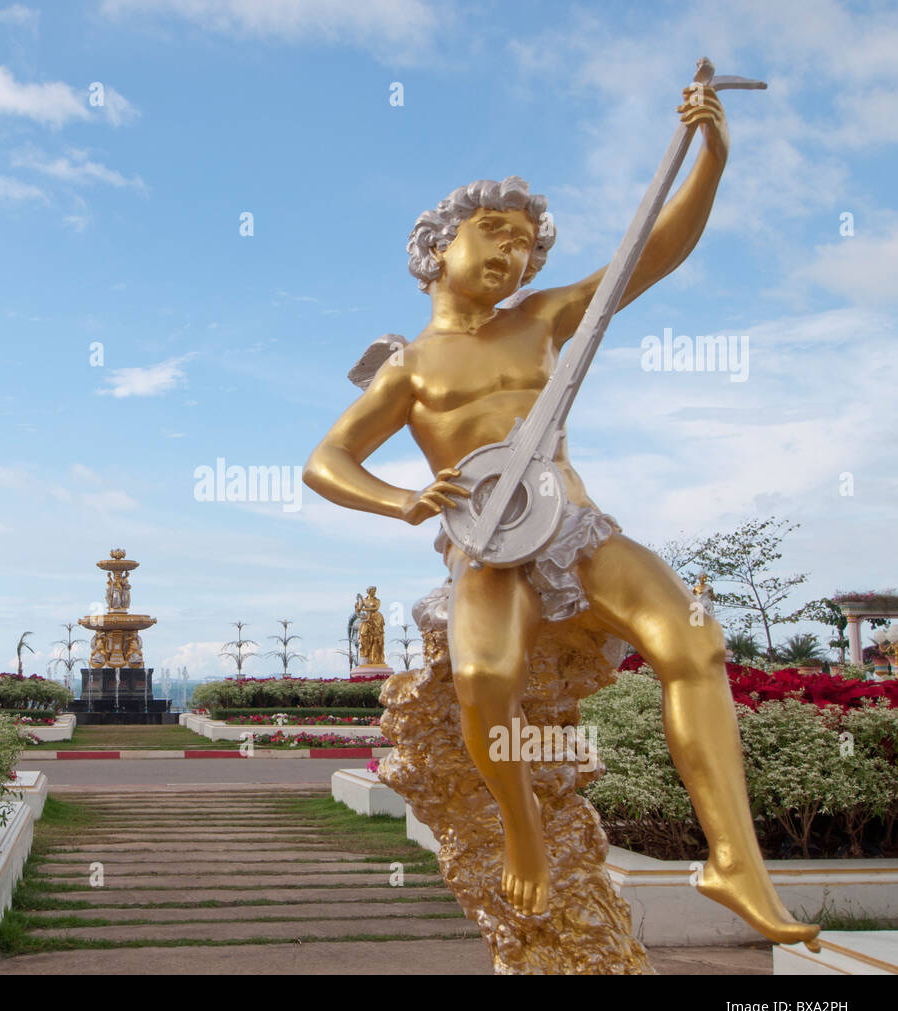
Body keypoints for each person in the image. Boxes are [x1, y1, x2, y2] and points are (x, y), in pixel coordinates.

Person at [303, 82, 818, 948]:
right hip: (486, 544)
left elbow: (651, 253)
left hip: (575, 527)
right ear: (436, 247)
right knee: (482, 681)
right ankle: (522, 828)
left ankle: (736, 861)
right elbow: (325, 462)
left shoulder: (541, 320)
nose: (512, 255)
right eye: (492, 235)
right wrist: (399, 499)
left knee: (694, 643)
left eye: (524, 245)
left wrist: (712, 157)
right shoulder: (411, 369)